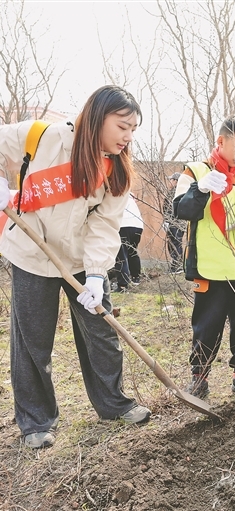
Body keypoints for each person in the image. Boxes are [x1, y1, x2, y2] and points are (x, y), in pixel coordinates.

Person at [0, 85, 151, 449]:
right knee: (33, 340)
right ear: (97, 118)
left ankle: (114, 404)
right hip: (32, 253)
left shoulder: (116, 170)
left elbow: (105, 226)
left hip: (82, 259)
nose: (128, 137)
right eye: (123, 127)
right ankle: (36, 422)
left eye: (133, 129)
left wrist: (97, 274)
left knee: (101, 331)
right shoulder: (41, 136)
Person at [173, 115, 235, 399]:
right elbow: (181, 210)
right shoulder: (195, 171)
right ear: (221, 141)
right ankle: (199, 376)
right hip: (209, 267)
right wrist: (200, 190)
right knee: (206, 326)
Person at [113, 193, 144, 291]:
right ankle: (136, 277)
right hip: (138, 226)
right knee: (132, 252)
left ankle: (122, 285)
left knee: (121, 255)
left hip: (123, 225)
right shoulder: (129, 196)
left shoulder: (115, 194)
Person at [164, 172, 185, 274]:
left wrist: (167, 221)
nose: (170, 182)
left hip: (174, 222)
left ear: (176, 181)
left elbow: (170, 207)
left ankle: (177, 266)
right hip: (178, 222)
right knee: (175, 243)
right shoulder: (182, 191)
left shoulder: (175, 192)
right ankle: (176, 265)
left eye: (171, 180)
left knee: (175, 243)